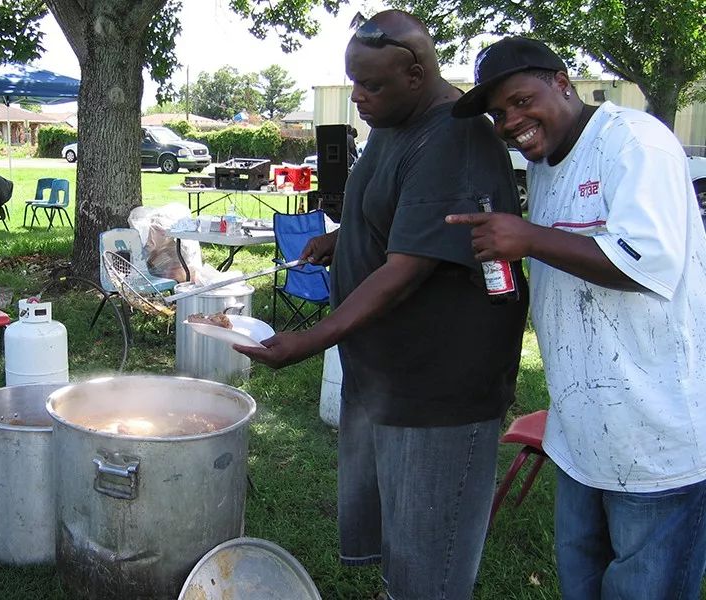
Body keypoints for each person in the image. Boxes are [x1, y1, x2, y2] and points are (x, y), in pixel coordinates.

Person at [235, 10, 528, 599]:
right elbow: (402, 216)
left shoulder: (455, 138)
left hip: (438, 389)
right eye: (354, 84)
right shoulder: (396, 122)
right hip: (388, 377)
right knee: (402, 545)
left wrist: (307, 341)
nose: (360, 99)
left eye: (373, 85)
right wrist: (340, 240)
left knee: (431, 564)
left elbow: (407, 268)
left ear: (416, 72)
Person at [447, 37, 706, 599]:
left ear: (562, 82)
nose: (511, 122)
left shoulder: (635, 144)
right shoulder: (547, 165)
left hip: (657, 440)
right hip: (581, 438)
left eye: (520, 100)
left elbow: (646, 264)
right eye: (499, 114)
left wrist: (527, 238)